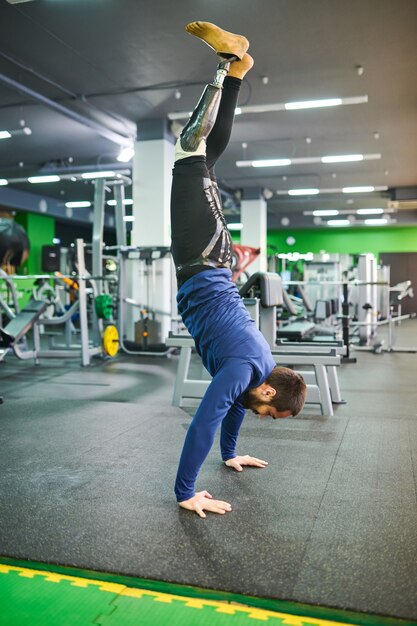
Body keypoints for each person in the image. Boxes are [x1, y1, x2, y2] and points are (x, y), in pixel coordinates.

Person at [171, 22, 307, 518]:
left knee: (202, 161)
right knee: (190, 153)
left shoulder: (255, 366)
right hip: (203, 259)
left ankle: (237, 72)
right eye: (269, 411)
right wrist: (186, 490)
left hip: (210, 262)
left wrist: (231, 456)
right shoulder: (241, 368)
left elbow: (231, 411)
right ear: (269, 389)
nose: (263, 415)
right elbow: (204, 421)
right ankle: (226, 63)